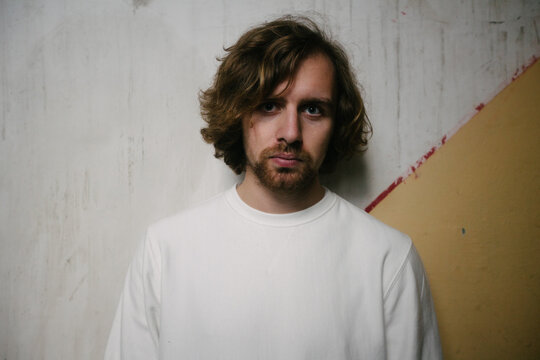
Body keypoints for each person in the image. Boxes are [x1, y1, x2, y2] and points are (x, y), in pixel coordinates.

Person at [105, 15, 442, 360]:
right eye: (269, 106)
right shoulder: (164, 252)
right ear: (237, 112)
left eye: (313, 109)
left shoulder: (389, 259)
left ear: (335, 122)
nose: (291, 133)